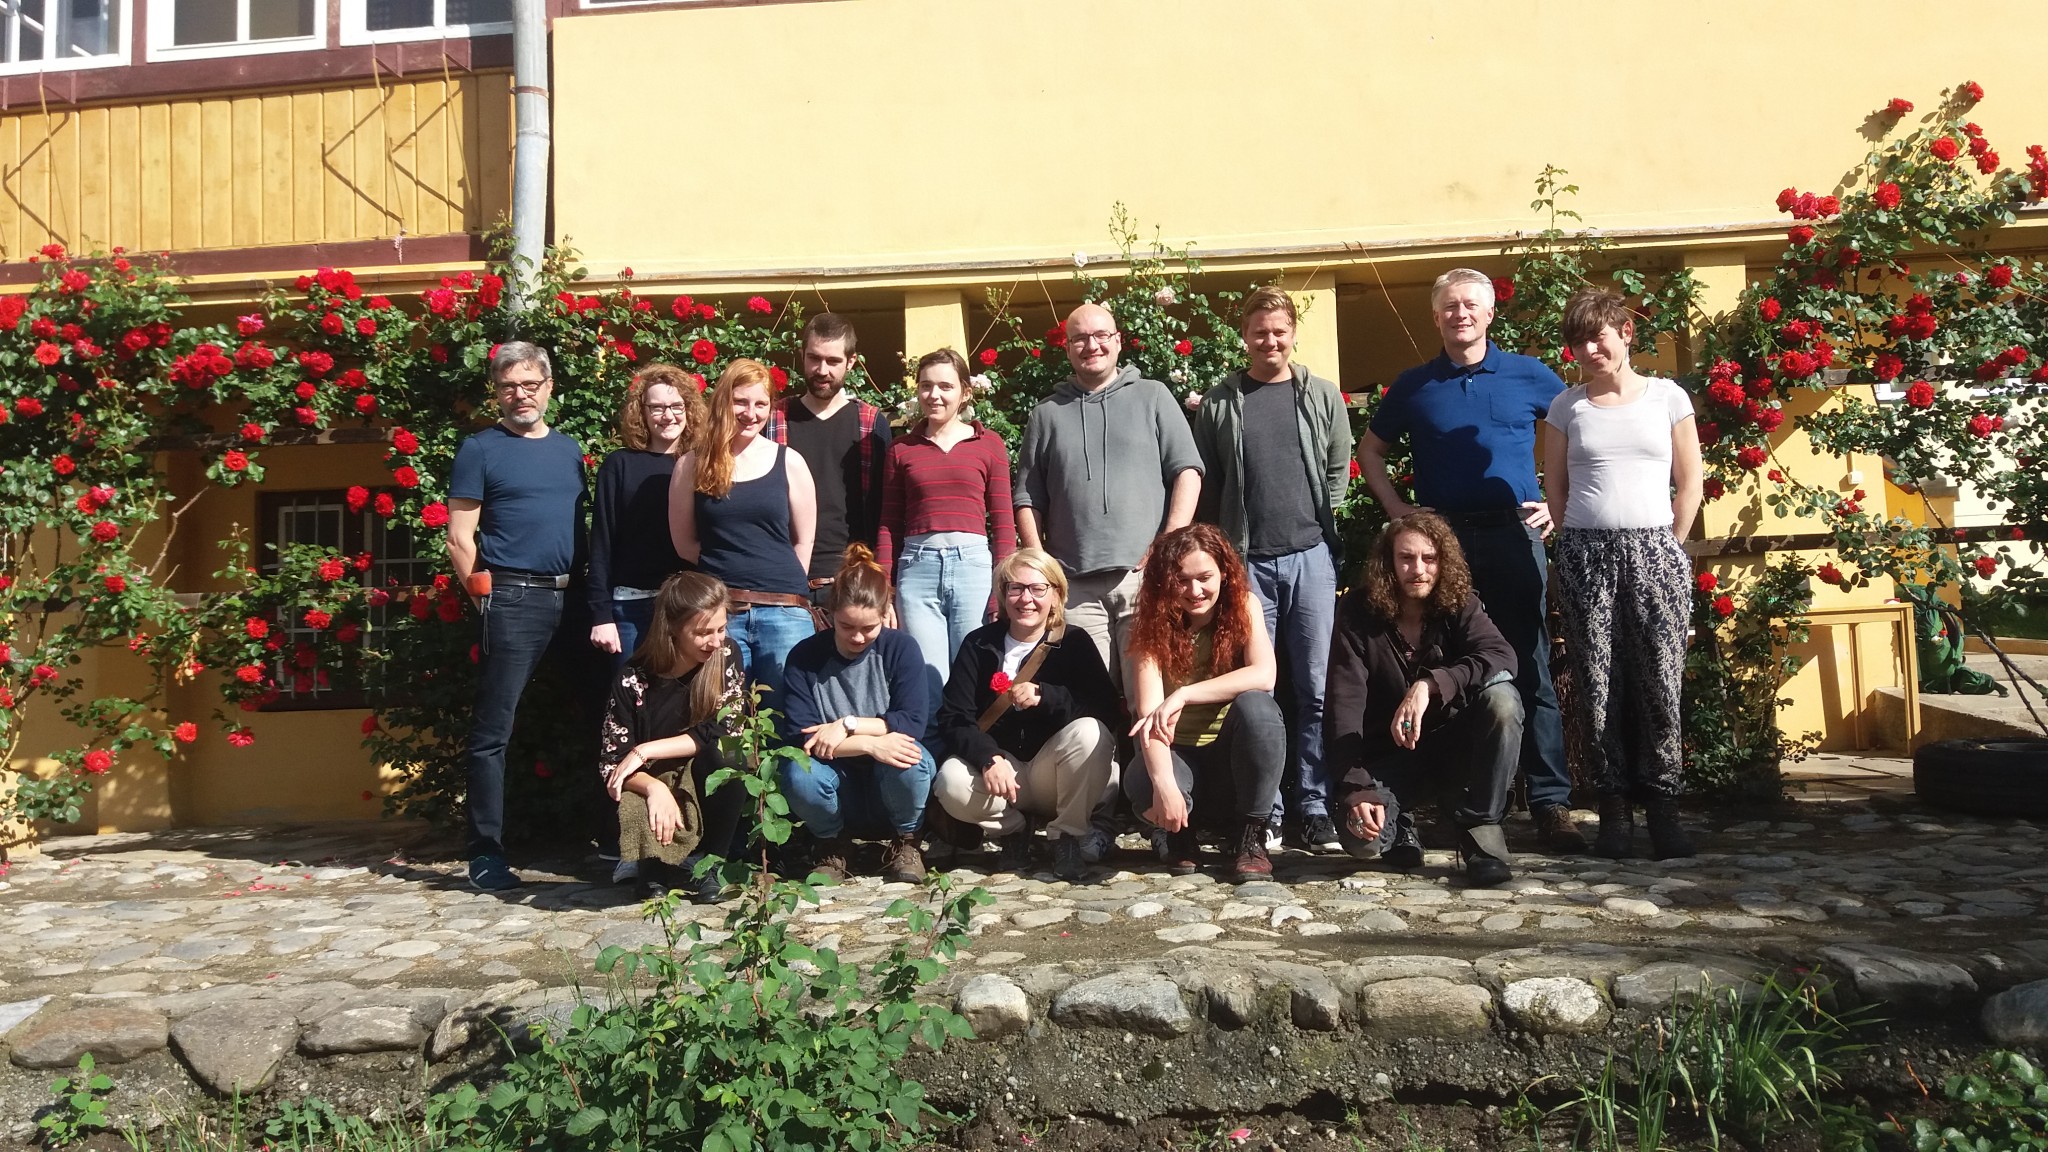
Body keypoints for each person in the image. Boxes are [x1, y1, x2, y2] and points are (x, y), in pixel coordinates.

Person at [1357, 267, 1584, 854]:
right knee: (1448, 665)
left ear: (1489, 314)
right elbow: (1370, 450)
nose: (1460, 314)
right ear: (1436, 317)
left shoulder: (1530, 375)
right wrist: (1397, 511)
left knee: (1530, 664)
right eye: (1450, 306)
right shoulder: (1415, 385)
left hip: (1514, 535)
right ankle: (1463, 801)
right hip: (1445, 544)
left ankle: (1551, 804)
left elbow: (1581, 433)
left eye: (1470, 305)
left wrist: (1558, 504)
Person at [1543, 287, 1704, 860]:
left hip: (1655, 550)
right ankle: (1614, 810)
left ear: (1625, 333)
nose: (1589, 350)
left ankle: (1663, 808)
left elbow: (1690, 480)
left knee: (1660, 680)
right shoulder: (1567, 407)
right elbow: (1555, 487)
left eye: (1598, 337)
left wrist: (1669, 545)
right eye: (1579, 342)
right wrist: (1575, 541)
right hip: (1586, 553)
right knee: (1597, 683)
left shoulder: (1667, 398)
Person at [1194, 286, 1353, 854]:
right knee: (1258, 687)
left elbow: (1338, 469)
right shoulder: (1221, 402)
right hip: (1247, 563)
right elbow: (1209, 482)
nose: (1270, 341)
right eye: (1259, 332)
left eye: (1279, 331)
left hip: (1311, 556)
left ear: (1292, 334)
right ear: (1245, 336)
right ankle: (1266, 812)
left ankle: (1313, 806)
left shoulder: (1321, 395)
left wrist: (1318, 523)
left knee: (1313, 687)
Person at [445, 341, 588, 892]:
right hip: (512, 597)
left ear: (548, 386)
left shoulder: (570, 450)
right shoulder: (480, 449)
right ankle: (485, 853)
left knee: (604, 715)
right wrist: (487, 600)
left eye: (530, 384)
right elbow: (460, 539)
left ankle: (611, 841)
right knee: (492, 732)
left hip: (575, 599)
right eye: (509, 386)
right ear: (497, 392)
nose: (520, 395)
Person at [1325, 513, 1523, 887]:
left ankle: (1482, 830)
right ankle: (1400, 825)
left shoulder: (1460, 604)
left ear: (1442, 561)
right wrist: (1356, 788)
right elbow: (1342, 706)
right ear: (1388, 562)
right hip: (1390, 758)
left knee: (1503, 700)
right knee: (1362, 843)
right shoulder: (1357, 612)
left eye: (1429, 558)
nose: (1418, 569)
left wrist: (1430, 685)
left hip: (1455, 750)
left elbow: (1501, 656)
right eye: (1406, 558)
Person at [1014, 302, 1203, 682]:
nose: (1091, 346)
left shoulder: (1153, 396)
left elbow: (1187, 471)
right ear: (1067, 348)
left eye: (1101, 335)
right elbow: (1027, 498)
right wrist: (1043, 567)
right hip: (1074, 585)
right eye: (1080, 338)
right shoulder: (1046, 414)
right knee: (1089, 698)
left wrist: (1167, 543)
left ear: (1117, 341)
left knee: (1148, 697)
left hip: (1143, 578)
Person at [931, 548, 1121, 882]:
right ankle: (1013, 831)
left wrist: (1048, 697)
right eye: (1015, 588)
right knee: (950, 781)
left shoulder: (1075, 642)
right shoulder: (978, 644)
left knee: (1091, 732)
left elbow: (1105, 709)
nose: (1026, 599)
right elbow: (954, 717)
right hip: (1002, 773)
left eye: (1037, 588)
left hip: (1055, 774)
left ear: (1056, 595)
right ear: (1003, 595)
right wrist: (988, 757)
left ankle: (1067, 836)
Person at [1122, 524, 1284, 884]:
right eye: (1181, 581)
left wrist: (1184, 693)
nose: (1195, 591)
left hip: (1231, 760)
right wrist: (1164, 785)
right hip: (1179, 756)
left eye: (1204, 578)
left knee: (1259, 708)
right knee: (1144, 779)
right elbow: (1149, 716)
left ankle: (1251, 836)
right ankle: (1179, 834)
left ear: (1224, 573)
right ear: (1165, 581)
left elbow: (1264, 675)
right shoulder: (1150, 623)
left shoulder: (1244, 605)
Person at [778, 545, 936, 884]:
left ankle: (907, 840)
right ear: (830, 612)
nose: (858, 637)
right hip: (836, 782)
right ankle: (832, 844)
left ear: (886, 614)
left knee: (913, 758)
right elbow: (802, 737)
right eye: (846, 626)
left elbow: (912, 723)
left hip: (888, 781)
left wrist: (846, 726)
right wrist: (869, 744)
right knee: (797, 772)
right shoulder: (805, 657)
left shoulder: (901, 648)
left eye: (869, 627)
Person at [669, 359, 818, 707]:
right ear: (724, 400)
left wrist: (781, 582)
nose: (751, 413)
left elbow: (804, 539)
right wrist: (727, 567)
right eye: (741, 402)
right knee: (723, 720)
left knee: (789, 718)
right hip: (721, 616)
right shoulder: (692, 464)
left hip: (784, 613)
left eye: (760, 404)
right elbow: (684, 543)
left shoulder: (790, 461)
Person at [877, 348, 1017, 713]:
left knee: (974, 675)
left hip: (973, 569)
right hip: (917, 571)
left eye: (945, 386)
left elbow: (1003, 523)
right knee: (927, 681)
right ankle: (932, 749)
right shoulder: (901, 449)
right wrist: (885, 590)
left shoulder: (989, 444)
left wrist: (1002, 589)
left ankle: (972, 747)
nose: (934, 395)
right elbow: (889, 524)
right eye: (926, 386)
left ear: (965, 392)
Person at [598, 572, 749, 902]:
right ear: (672, 629)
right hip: (654, 780)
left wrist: (645, 749)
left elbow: (726, 729)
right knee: (652, 890)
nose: (715, 641)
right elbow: (613, 765)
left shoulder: (725, 656)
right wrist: (654, 788)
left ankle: (712, 863)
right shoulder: (633, 678)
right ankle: (653, 866)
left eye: (721, 629)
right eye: (703, 633)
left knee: (730, 753)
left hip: (703, 773)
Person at [590, 364, 702, 669]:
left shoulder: (703, 464)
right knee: (630, 694)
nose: (668, 416)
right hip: (630, 607)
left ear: (689, 410)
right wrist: (601, 615)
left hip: (687, 606)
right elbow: (602, 543)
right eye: (657, 408)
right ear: (642, 412)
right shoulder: (619, 465)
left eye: (676, 406)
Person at [767, 313, 892, 588]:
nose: (822, 370)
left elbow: (886, 508)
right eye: (814, 358)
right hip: (785, 575)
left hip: (853, 578)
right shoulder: (774, 420)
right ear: (802, 355)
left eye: (833, 361)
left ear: (851, 361)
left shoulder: (871, 424)